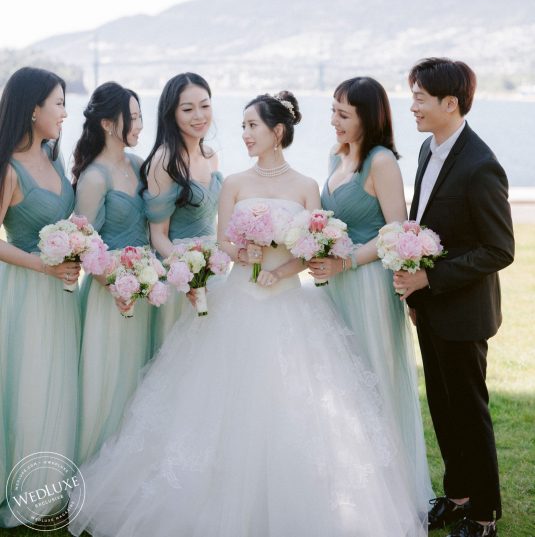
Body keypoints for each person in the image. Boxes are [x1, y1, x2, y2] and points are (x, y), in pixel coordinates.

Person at [68, 91, 428, 537]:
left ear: (277, 132)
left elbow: (314, 244)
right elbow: (223, 241)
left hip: (288, 302)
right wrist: (244, 252)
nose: (244, 134)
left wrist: (281, 270)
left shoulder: (306, 186)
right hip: (237, 297)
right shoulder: (234, 182)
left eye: (252, 126)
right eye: (242, 126)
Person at [393, 58, 514, 537]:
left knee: (469, 413)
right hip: (431, 309)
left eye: (420, 98)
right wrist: (415, 288)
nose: (412, 106)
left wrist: (430, 279)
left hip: (463, 313)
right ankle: (458, 495)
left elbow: (499, 249)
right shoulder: (429, 148)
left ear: (450, 103)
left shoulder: (481, 165)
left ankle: (484, 516)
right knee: (443, 409)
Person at [309, 76, 433, 521]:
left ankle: (392, 492)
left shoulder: (381, 162)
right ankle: (351, 487)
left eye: (343, 114)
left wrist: (345, 262)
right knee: (339, 386)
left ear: (368, 116)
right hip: (335, 287)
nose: (334, 120)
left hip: (367, 287)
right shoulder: (336, 155)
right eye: (333, 111)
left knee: (374, 380)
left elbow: (394, 232)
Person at [0, 67, 81, 527]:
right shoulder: (9, 167)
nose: (65, 113)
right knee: (29, 382)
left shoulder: (53, 156)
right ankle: (22, 482)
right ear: (34, 109)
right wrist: (43, 266)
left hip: (61, 292)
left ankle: (52, 477)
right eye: (59, 103)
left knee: (57, 380)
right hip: (26, 290)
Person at [72, 82, 152, 464]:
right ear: (107, 123)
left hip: (144, 286)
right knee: (109, 382)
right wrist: (116, 286)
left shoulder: (138, 165)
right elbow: (84, 245)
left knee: (140, 380)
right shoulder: (95, 177)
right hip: (110, 294)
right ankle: (97, 465)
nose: (139, 125)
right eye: (131, 118)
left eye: (139, 116)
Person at [140, 73, 222, 353]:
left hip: (215, 270)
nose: (199, 116)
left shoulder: (211, 156)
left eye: (205, 105)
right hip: (180, 275)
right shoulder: (164, 161)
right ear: (172, 114)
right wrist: (187, 274)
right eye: (187, 109)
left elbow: (213, 220)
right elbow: (158, 235)